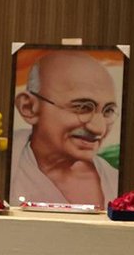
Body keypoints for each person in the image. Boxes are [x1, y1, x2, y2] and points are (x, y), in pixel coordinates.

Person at [8, 51, 119, 205]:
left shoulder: (112, 180)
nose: (99, 129)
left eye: (108, 111)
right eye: (82, 107)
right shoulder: (2, 171)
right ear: (29, 107)